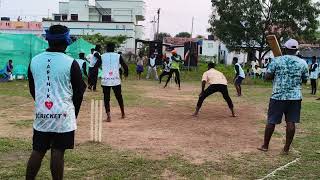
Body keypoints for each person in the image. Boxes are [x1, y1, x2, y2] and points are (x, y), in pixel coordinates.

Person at [26, 25, 86, 180]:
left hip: (42, 115)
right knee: (58, 151)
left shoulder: (34, 61)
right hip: (63, 116)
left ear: (49, 40)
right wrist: (74, 113)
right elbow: (79, 91)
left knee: (38, 150)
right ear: (66, 40)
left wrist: (41, 105)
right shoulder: (71, 62)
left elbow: (33, 89)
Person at [258, 39, 309, 154]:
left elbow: (267, 77)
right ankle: (286, 148)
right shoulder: (303, 63)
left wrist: (275, 75)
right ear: (296, 50)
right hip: (295, 97)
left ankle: (265, 146)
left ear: (285, 49)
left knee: (271, 121)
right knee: (291, 122)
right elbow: (305, 80)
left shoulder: (277, 61)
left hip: (278, 96)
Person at [95, 43, 129, 122]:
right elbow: (125, 66)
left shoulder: (102, 56)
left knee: (106, 98)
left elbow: (96, 66)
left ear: (106, 49)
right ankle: (123, 113)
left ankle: (108, 116)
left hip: (105, 80)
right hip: (116, 80)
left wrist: (101, 70)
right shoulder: (118, 56)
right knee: (119, 97)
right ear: (114, 49)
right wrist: (126, 73)